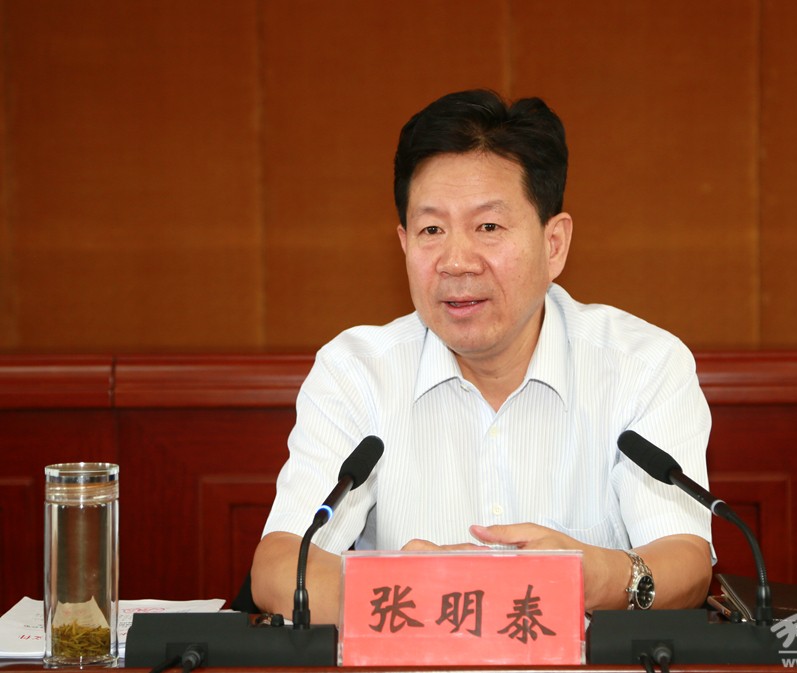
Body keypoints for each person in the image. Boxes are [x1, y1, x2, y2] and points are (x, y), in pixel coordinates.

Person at [251, 89, 713, 625]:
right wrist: (427, 595)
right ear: (403, 243)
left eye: (488, 227)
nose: (456, 261)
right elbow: (280, 567)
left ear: (554, 244)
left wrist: (598, 577)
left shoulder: (644, 365)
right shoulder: (356, 372)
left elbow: (686, 561)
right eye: (431, 230)